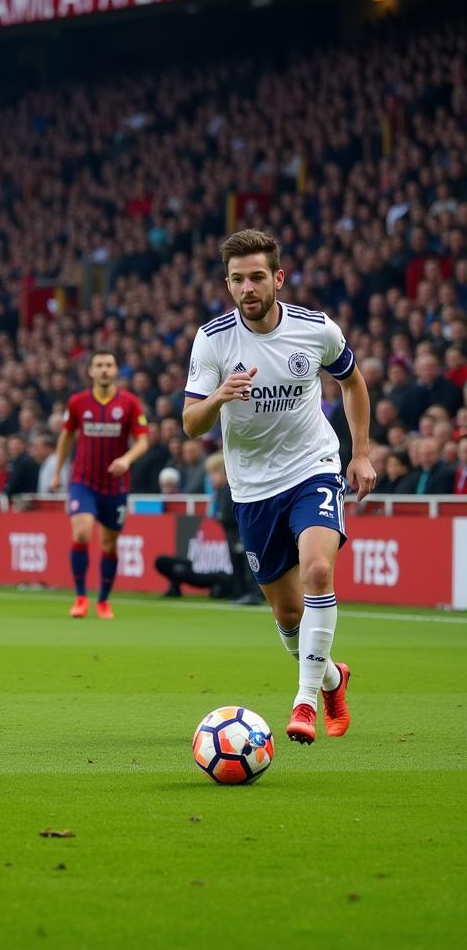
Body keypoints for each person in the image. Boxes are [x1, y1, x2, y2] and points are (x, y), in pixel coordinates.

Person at [183, 229, 376, 746]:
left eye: (258, 277)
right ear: (227, 284)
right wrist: (220, 397)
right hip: (251, 488)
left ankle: (305, 702)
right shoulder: (213, 339)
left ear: (278, 278)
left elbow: (352, 381)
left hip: (312, 466)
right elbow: (190, 424)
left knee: (317, 568)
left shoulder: (316, 330)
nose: (248, 288)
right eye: (238, 279)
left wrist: (359, 452)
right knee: (289, 618)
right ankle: (333, 678)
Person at [51, 350, 149, 619]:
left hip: (115, 485)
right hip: (83, 481)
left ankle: (103, 601)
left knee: (109, 544)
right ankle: (81, 597)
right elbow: (66, 437)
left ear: (116, 370)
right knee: (81, 533)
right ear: (90, 372)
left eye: (109, 365)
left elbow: (143, 441)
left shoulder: (130, 403)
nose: (104, 369)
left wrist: (127, 459)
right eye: (99, 365)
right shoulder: (77, 403)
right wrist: (57, 472)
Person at [154, 453, 263, 603]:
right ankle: (240, 592)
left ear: (223, 472)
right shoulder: (220, 491)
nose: (211, 478)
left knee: (245, 564)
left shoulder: (232, 489)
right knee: (236, 563)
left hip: (238, 531)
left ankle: (254, 593)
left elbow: (235, 512)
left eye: (213, 474)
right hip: (230, 531)